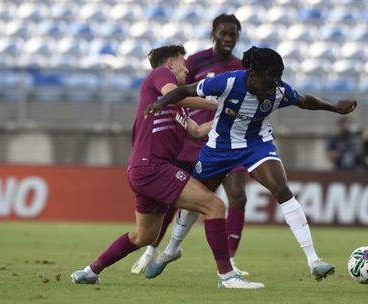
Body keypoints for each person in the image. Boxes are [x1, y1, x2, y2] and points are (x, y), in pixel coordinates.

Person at [144, 46, 357, 281]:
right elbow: (184, 90)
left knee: (282, 189)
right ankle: (171, 250)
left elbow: (305, 101)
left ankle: (314, 260)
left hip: (257, 145)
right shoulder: (227, 82)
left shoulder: (278, 90)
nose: (273, 86)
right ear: (252, 75)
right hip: (219, 148)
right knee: (199, 201)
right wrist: (162, 102)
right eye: (269, 79)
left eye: (278, 79)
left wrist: (335, 108)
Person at [70, 45, 264, 289]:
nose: (187, 69)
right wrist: (217, 104)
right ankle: (227, 276)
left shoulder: (178, 107)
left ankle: (90, 271)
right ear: (171, 62)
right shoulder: (160, 75)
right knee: (214, 205)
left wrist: (229, 118)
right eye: (183, 63)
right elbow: (176, 93)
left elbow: (195, 131)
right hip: (153, 166)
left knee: (144, 236)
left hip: (144, 170)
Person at [130, 14, 251, 276]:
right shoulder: (196, 61)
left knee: (238, 196)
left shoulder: (241, 67)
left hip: (229, 140)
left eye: (233, 34)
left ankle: (230, 260)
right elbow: (177, 92)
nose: (228, 38)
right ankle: (154, 249)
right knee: (176, 199)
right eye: (224, 33)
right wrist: (212, 106)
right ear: (214, 34)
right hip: (194, 140)